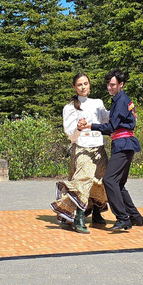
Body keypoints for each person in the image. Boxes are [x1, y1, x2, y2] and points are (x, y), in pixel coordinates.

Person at [78, 69, 143, 231]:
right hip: (125, 144)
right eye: (108, 84)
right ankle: (135, 216)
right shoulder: (122, 99)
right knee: (119, 183)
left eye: (112, 84)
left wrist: (90, 125)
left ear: (121, 84)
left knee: (109, 180)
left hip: (123, 144)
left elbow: (112, 126)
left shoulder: (121, 101)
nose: (109, 87)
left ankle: (123, 218)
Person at [51, 73, 110, 234]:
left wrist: (125, 112)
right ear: (75, 87)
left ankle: (97, 211)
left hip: (99, 149)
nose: (83, 87)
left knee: (101, 181)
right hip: (83, 149)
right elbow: (71, 136)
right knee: (82, 182)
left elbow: (108, 119)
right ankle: (78, 218)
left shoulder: (98, 103)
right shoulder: (70, 108)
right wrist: (79, 127)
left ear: (90, 85)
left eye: (86, 83)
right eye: (80, 84)